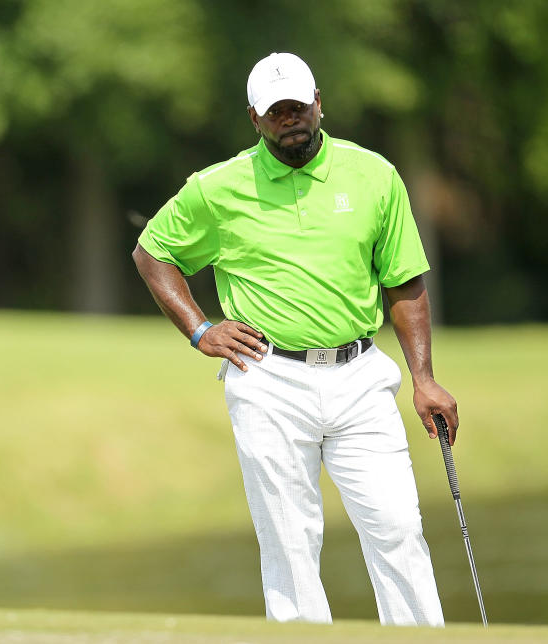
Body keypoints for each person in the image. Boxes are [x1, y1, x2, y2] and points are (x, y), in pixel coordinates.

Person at [132, 52, 458, 626]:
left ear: (319, 104)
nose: (291, 119)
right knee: (289, 542)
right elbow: (152, 252)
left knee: (398, 525)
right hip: (269, 377)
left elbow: (403, 281)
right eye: (276, 111)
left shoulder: (374, 175)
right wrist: (200, 328)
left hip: (360, 376)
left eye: (299, 106)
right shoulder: (217, 188)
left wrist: (424, 379)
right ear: (255, 119)